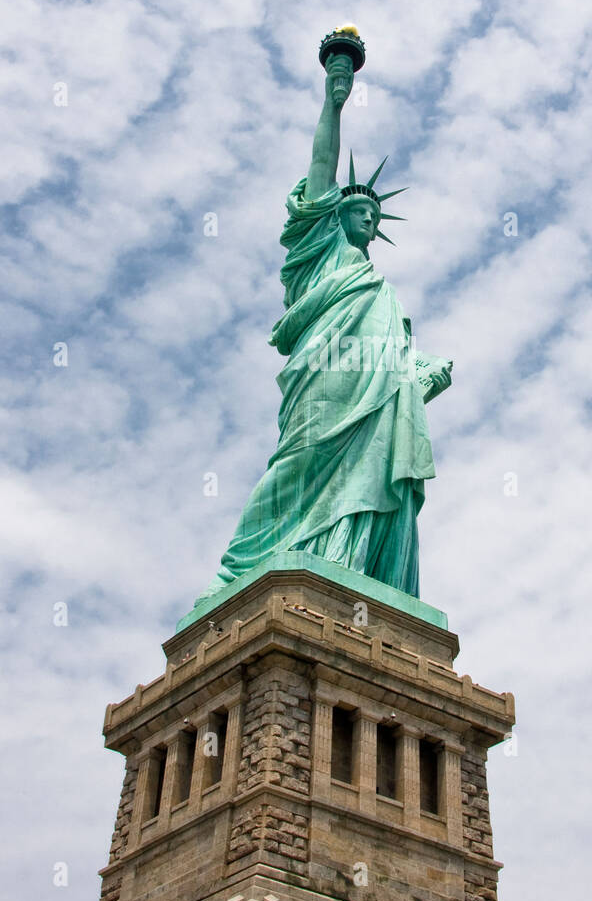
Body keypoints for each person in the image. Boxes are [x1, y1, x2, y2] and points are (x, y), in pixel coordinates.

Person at [193, 49, 452, 608]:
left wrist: (421, 374)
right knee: (299, 459)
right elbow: (321, 168)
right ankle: (241, 567)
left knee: (375, 466)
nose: (370, 214)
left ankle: (351, 566)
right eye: (358, 207)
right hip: (325, 381)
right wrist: (334, 100)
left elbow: (398, 358)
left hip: (376, 392)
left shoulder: (381, 291)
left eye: (376, 214)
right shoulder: (320, 253)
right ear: (330, 215)